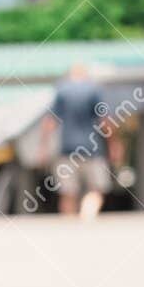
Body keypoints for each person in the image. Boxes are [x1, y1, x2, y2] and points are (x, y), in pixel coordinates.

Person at [42, 61, 116, 219]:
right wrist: (113, 145)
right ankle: (86, 218)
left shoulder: (61, 90)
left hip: (66, 149)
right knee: (96, 189)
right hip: (92, 149)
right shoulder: (94, 90)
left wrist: (43, 147)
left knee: (68, 193)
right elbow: (104, 121)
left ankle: (69, 228)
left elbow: (50, 122)